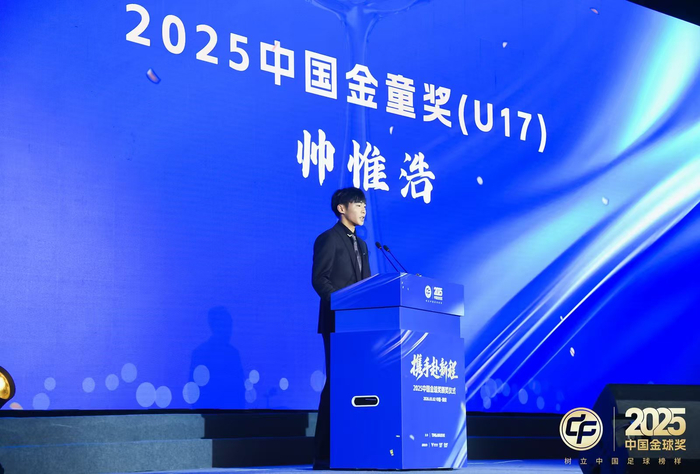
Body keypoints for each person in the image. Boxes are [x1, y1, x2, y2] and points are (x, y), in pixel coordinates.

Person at [311, 187, 371, 469]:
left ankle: (352, 448)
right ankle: (323, 454)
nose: (363, 209)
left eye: (364, 205)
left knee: (357, 384)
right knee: (337, 383)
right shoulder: (328, 239)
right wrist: (342, 304)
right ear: (341, 208)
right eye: (357, 204)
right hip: (337, 322)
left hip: (359, 326)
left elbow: (367, 286)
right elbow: (319, 279)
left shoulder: (363, 245)